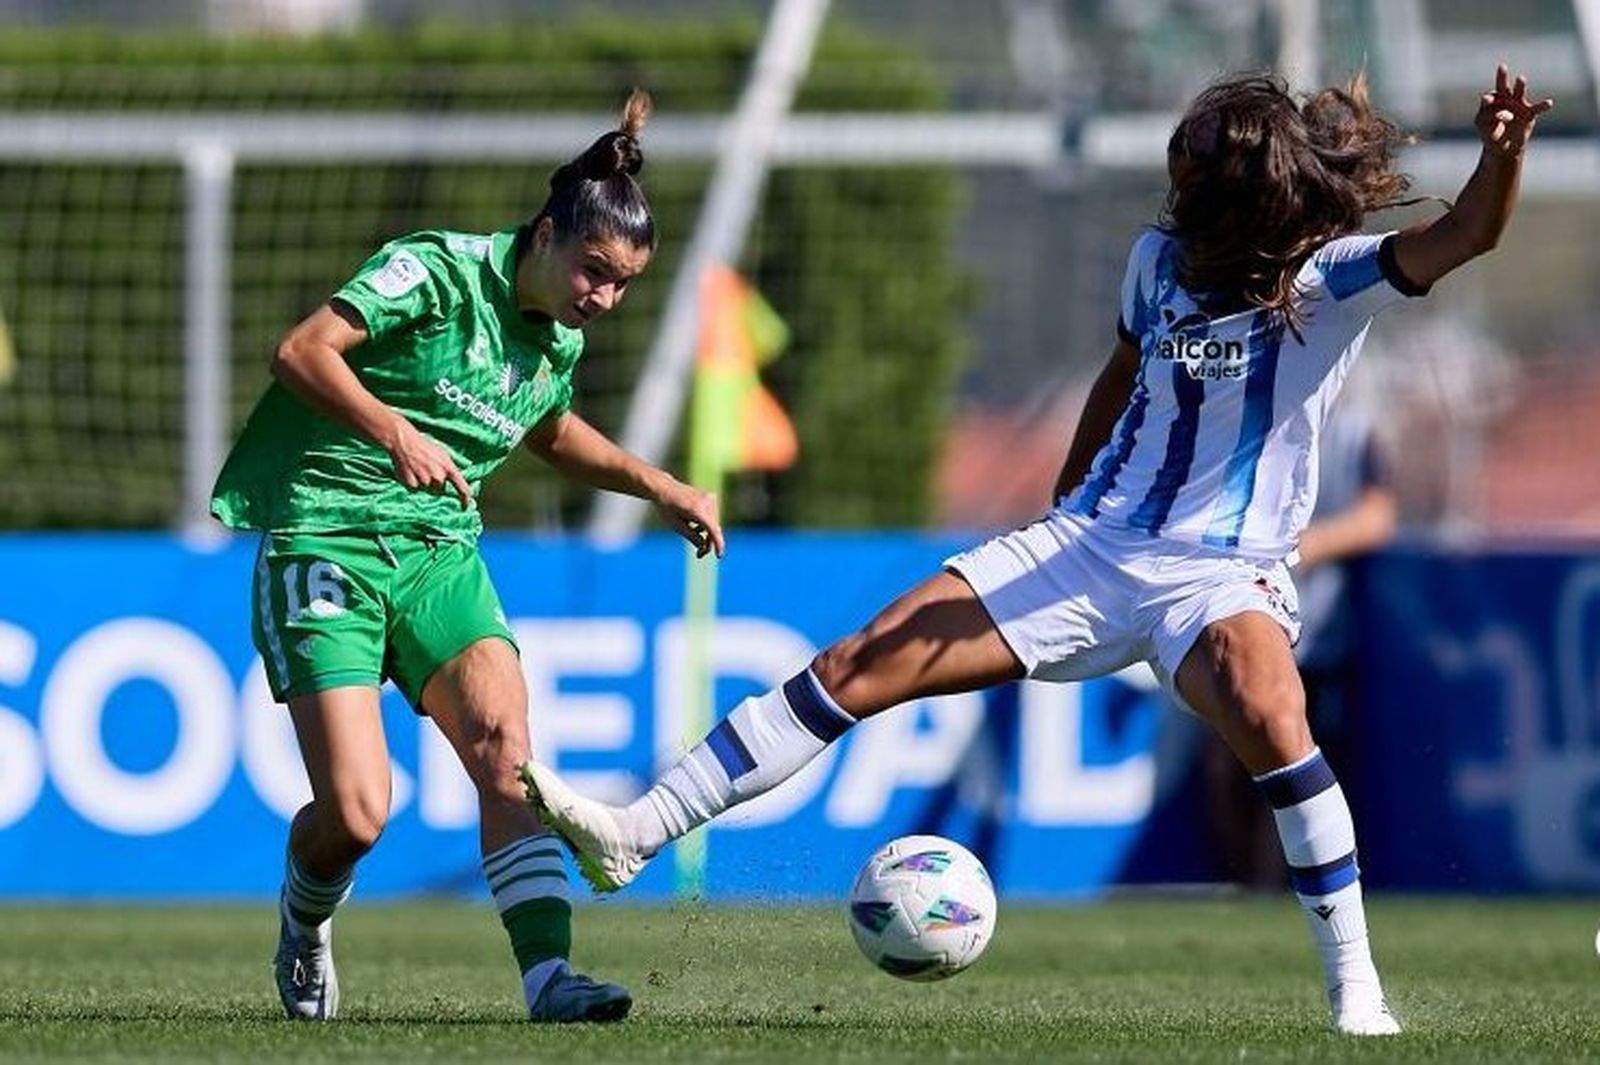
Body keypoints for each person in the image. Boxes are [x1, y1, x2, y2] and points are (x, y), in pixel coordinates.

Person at [522, 67, 1552, 1036]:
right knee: (857, 663)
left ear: (1248, 193)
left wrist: (1499, 157)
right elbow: (1120, 369)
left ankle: (1355, 990)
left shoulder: (1333, 282)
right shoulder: (1156, 263)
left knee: (1270, 712)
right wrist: (1070, 491)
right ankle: (637, 832)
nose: (1176, 189)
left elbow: (1465, 232)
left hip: (1219, 572)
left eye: (1194, 173)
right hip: (1092, 545)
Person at [209, 90, 724, 1024]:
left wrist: (666, 488)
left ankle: (548, 979)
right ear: (548, 230)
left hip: (440, 555)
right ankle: (306, 911)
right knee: (359, 814)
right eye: (594, 271)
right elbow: (302, 351)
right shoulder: (433, 271)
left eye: (622, 286)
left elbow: (550, 430)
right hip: (326, 534)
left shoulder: (555, 339)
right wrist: (394, 430)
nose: (601, 300)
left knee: (506, 753)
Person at [1204, 387, 1398, 889]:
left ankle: (1278, 892)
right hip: (1234, 622)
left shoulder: (1355, 431)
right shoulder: (1247, 416)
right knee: (1225, 768)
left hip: (1312, 634)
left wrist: (1306, 546)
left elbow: (1377, 517)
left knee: (1288, 766)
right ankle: (1250, 887)